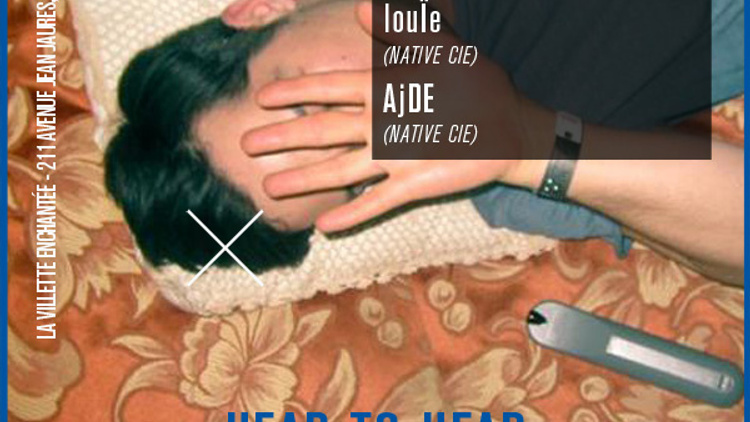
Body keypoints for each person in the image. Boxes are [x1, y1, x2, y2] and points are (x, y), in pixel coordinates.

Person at [105, 0, 743, 285]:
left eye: (313, 111)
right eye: (353, 173)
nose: (376, 125)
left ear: (263, 9)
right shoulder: (506, 180)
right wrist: (530, 146)